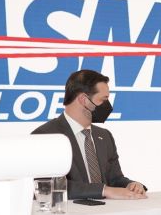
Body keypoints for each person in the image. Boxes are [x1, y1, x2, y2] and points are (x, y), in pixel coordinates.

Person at [32, 69, 147, 200]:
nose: (107, 106)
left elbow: (115, 179)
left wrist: (130, 185)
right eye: (103, 100)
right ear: (83, 99)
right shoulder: (45, 136)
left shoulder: (104, 136)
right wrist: (103, 190)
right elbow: (47, 185)